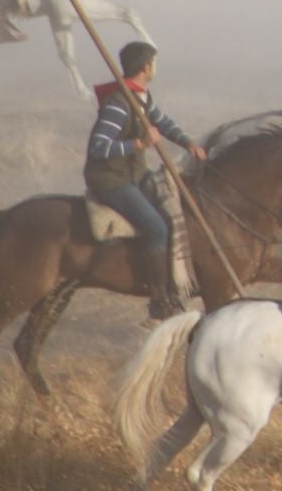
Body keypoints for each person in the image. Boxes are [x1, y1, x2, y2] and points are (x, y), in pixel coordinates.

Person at [83, 41, 206, 321]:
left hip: (134, 174)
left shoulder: (142, 97)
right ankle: (160, 299)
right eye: (154, 63)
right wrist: (139, 143)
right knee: (158, 228)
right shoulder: (119, 104)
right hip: (111, 178)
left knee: (175, 207)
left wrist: (187, 143)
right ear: (146, 67)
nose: (155, 68)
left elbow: (162, 122)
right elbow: (98, 147)